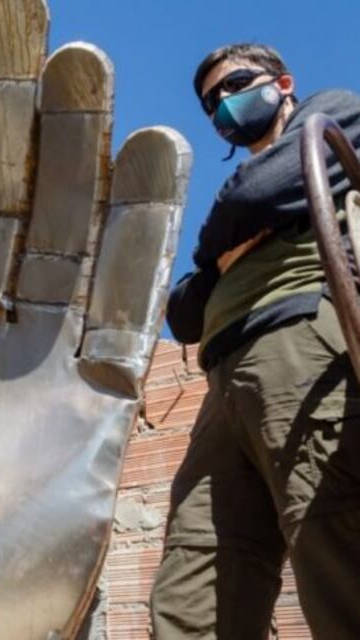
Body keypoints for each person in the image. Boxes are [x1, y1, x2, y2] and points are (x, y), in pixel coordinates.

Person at [149, 44, 360, 638]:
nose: (223, 104)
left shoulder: (335, 111)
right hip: (222, 384)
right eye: (212, 101)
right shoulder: (242, 211)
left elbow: (255, 193)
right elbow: (183, 313)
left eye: (236, 85)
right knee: (197, 577)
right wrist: (223, 256)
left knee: (331, 541)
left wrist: (222, 240)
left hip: (301, 341)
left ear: (283, 82)